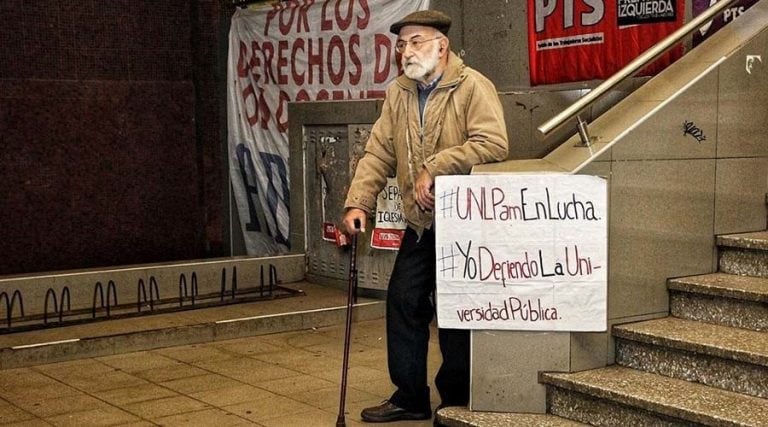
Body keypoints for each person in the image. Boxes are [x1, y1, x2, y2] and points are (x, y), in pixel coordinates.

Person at [342, 9, 509, 423]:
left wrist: (436, 165)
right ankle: (410, 396)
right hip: (421, 222)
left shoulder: (472, 87)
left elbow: (493, 143)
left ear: (441, 46)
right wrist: (358, 202)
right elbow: (379, 151)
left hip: (464, 223)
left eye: (416, 42)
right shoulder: (399, 93)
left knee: (454, 310)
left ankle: (456, 398)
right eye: (401, 45)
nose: (405, 52)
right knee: (403, 300)